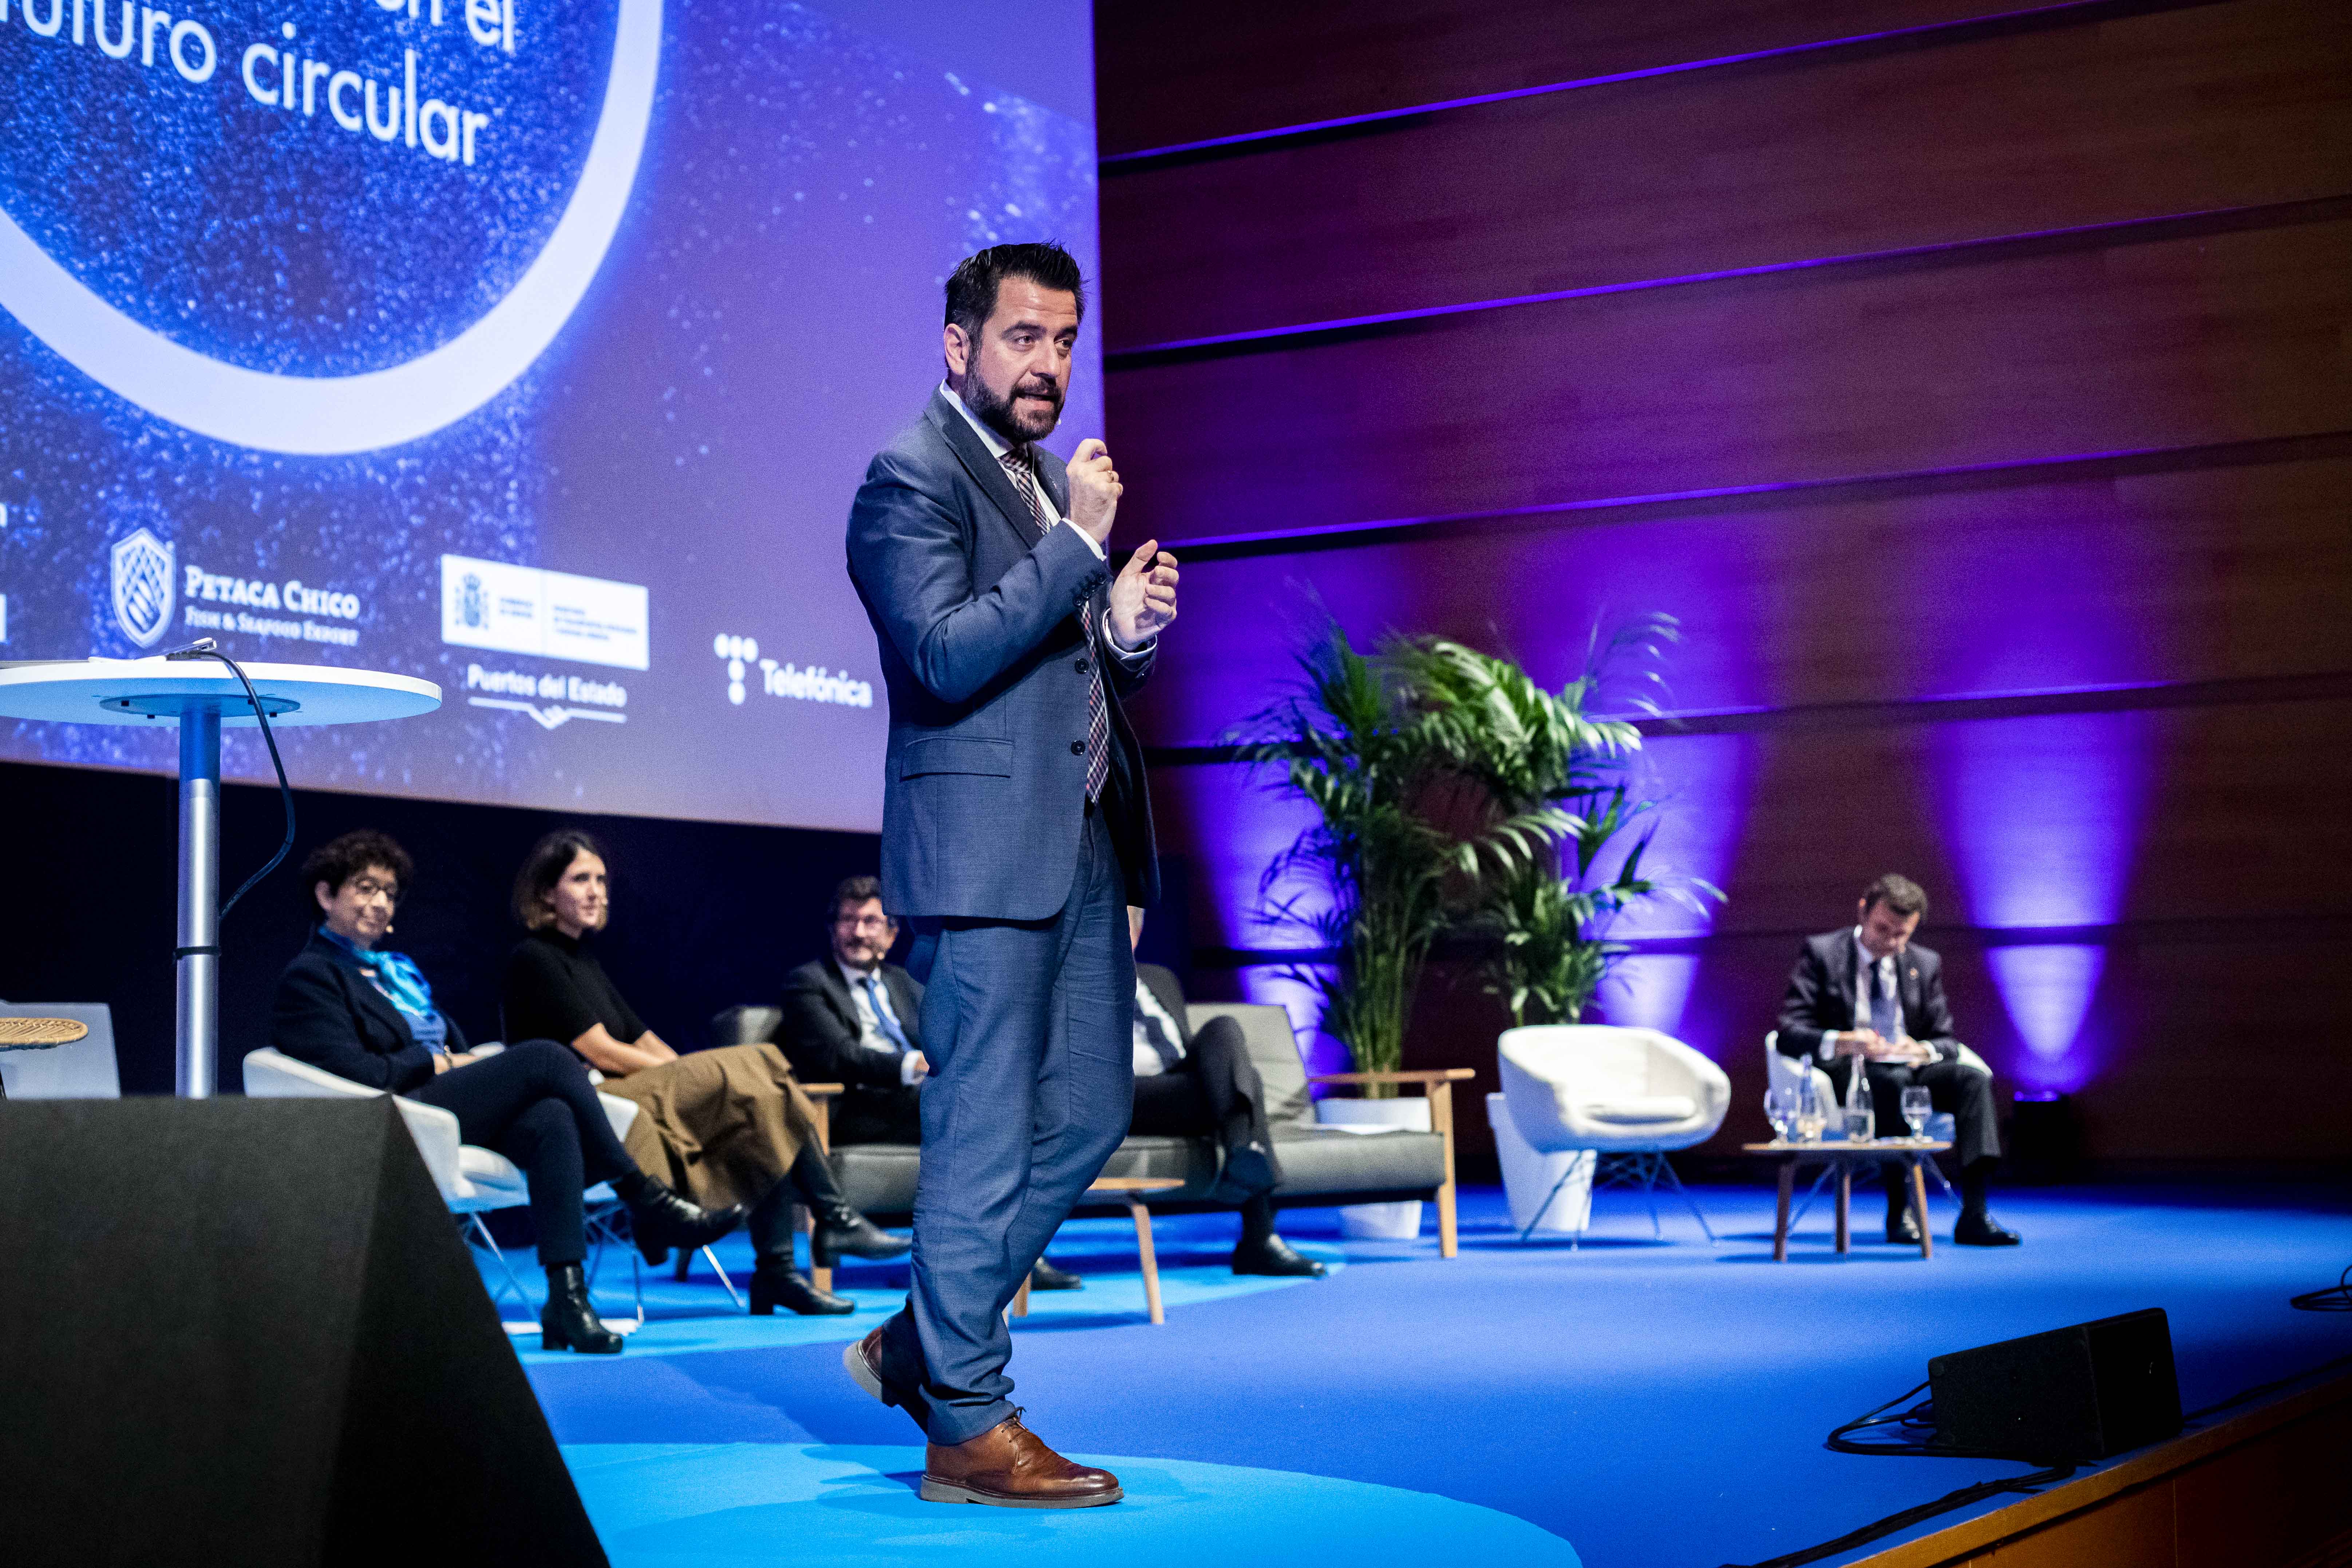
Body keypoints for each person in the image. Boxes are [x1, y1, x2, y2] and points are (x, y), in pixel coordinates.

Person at [839, 241, 1179, 1509]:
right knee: (980, 1131)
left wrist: (1124, 634)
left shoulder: (1033, 483)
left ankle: (924, 1337)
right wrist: (1081, 548)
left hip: (1081, 836)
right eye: (1023, 338)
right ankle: (968, 1425)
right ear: (958, 344)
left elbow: (1056, 663)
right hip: (983, 852)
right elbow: (940, 655)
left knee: (1088, 1110)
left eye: (1062, 342)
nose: (1047, 365)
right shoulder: (909, 477)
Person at [269, 830, 744, 1355]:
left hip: (440, 1104)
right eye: (364, 888)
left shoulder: (395, 972)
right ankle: (643, 1193)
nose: (381, 902)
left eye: (388, 891)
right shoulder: (310, 976)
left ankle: (567, 1299)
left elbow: (450, 1043)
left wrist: (462, 1061)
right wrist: (441, 1060)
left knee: (551, 1116)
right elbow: (356, 1070)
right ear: (325, 895)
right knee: (546, 1053)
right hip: (394, 1112)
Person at [500, 830, 910, 1318]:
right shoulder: (534, 957)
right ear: (547, 891)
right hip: (588, 1100)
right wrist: (699, 1074)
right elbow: (601, 1049)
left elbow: (640, 1035)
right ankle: (828, 1222)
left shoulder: (581, 956)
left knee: (765, 1098)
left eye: (602, 879)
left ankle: (780, 1270)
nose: (597, 891)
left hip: (624, 1087)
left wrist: (699, 1073)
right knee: (763, 1066)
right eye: (581, 879)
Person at [775, 874, 1084, 1291]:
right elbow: (836, 1056)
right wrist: (913, 1065)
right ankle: (1003, 1256)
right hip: (857, 1109)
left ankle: (1009, 1252)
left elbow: (944, 1035)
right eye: (848, 921)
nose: (858, 932)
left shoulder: (904, 981)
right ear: (833, 928)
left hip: (916, 1100)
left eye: (870, 921)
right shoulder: (808, 982)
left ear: (891, 932)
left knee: (996, 1107)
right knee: (977, 1115)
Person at [1775, 874, 2019, 1246]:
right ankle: (1899, 1209)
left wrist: (1920, 1050)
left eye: (1901, 934)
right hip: (1850, 1073)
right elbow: (1789, 1031)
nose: (1890, 942)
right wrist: (1842, 1040)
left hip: (1909, 1067)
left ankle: (1974, 1212)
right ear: (1862, 911)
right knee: (1891, 1082)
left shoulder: (1924, 962)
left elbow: (1945, 1039)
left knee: (1972, 1080)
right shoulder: (1822, 953)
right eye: (1882, 929)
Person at [1128, 910, 1324, 1277]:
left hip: (1182, 1087)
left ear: (1136, 933)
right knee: (1246, 1082)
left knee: (1224, 1029)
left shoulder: (1160, 978)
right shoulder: (1073, 980)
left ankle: (1239, 1153)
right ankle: (1259, 1237)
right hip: (1126, 1094)